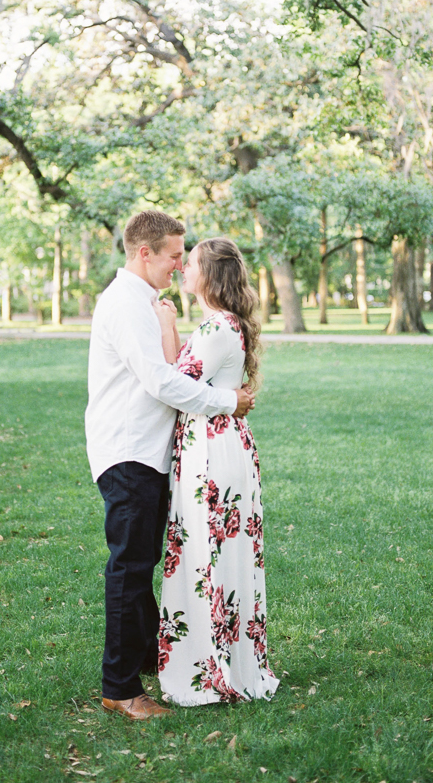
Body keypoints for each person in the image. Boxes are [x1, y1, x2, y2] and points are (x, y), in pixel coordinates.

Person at [85, 211, 255, 722]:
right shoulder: (125, 305)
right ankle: (120, 688)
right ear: (145, 253)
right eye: (175, 256)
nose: (180, 266)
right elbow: (161, 381)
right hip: (130, 451)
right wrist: (228, 401)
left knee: (140, 566)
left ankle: (145, 659)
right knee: (129, 568)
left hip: (151, 452)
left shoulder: (143, 302)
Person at [154, 238, 279, 705]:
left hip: (213, 453)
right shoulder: (216, 325)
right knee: (206, 551)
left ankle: (213, 666)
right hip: (216, 445)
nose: (183, 269)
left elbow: (173, 383)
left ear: (210, 274)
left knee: (209, 551)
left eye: (191, 264)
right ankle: (211, 656)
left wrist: (167, 324)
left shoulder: (217, 329)